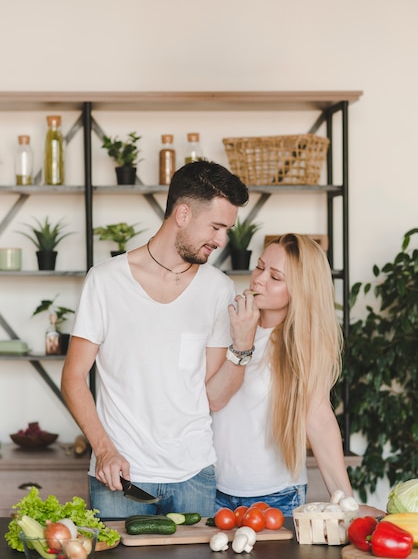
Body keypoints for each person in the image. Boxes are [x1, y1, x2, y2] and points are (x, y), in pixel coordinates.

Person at [61, 159, 249, 518]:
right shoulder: (105, 281)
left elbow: (213, 396)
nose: (222, 240)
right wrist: (104, 450)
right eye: (216, 226)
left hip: (195, 474)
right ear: (182, 214)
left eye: (227, 229)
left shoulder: (218, 289)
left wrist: (242, 347)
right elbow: (72, 378)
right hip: (121, 476)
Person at [210, 233, 383, 517]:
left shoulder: (303, 346)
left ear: (300, 290)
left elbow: (319, 420)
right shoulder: (228, 323)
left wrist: (346, 502)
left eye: (275, 277)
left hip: (276, 497)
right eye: (260, 266)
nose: (258, 280)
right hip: (213, 490)